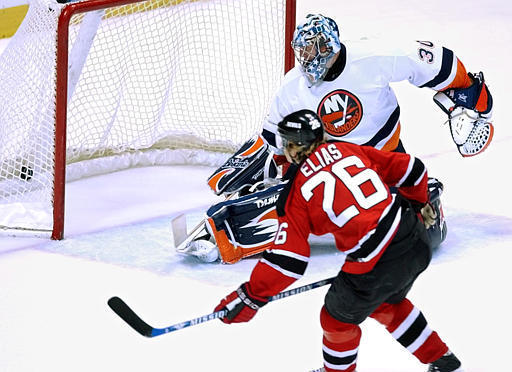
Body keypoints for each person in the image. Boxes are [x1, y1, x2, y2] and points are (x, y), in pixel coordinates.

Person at [180, 13, 493, 264]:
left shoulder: (373, 57)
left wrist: (471, 94)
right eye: (300, 50)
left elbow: (438, 62)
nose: (304, 57)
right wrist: (273, 171)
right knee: (294, 192)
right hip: (333, 166)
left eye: (311, 48)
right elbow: (274, 140)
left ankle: (228, 232)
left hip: (384, 158)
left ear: (330, 46)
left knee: (420, 213)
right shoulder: (292, 87)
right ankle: (242, 218)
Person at [214, 109, 463, 372]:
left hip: (374, 259)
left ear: (293, 147)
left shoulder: (294, 190)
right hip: (414, 237)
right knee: (386, 303)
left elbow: (288, 260)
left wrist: (252, 295)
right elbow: (413, 169)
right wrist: (418, 204)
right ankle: (444, 362)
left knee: (335, 319)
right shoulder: (349, 149)